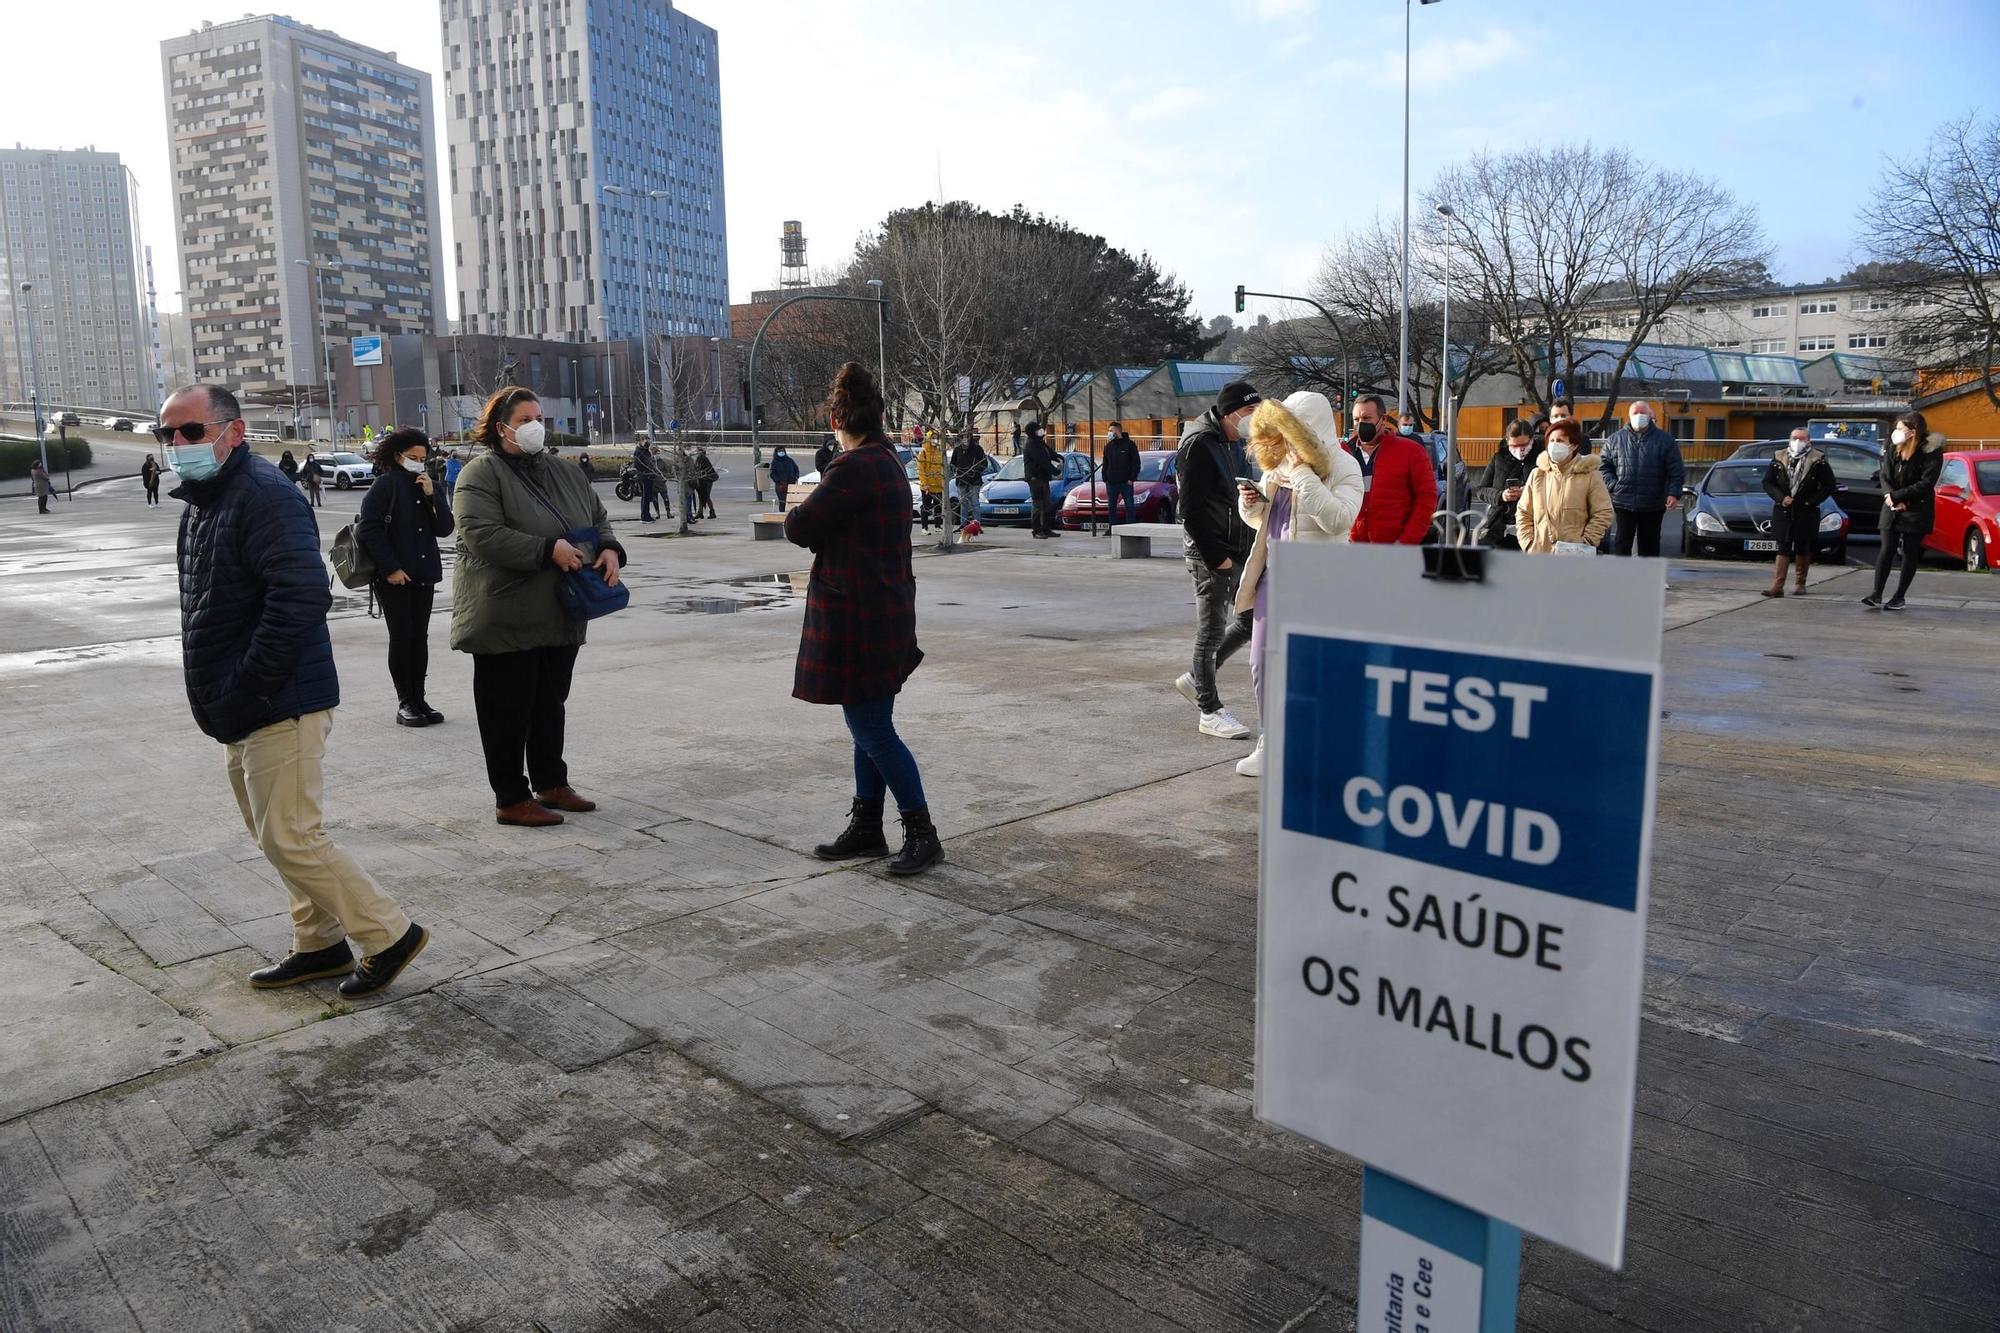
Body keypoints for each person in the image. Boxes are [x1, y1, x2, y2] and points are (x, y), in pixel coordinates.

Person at [156, 384, 428, 997]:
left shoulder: (264, 495)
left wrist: (251, 682)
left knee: (291, 834)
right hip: (238, 700)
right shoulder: (204, 500)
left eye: (190, 431)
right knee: (273, 832)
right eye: (167, 434)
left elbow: (302, 597)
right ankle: (319, 942)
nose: (177, 445)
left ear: (234, 431)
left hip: (278, 696)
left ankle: (389, 933)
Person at [785, 362, 939, 875]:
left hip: (859, 617)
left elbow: (799, 526)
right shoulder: (889, 461)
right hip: (885, 611)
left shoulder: (852, 468)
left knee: (872, 728)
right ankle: (868, 826)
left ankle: (922, 832)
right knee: (870, 726)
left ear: (836, 419)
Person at [451, 386, 626, 826]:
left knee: (550, 702)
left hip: (560, 609)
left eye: (539, 418)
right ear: (501, 427)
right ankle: (511, 798)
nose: (535, 427)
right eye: (525, 419)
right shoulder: (480, 474)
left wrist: (609, 548)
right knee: (506, 710)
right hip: (506, 614)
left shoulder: (563, 471)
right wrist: (548, 549)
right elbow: (480, 533)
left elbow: (597, 516)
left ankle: (551, 782)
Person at [1232, 391, 1364, 777]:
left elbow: (1339, 520)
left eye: (1295, 429)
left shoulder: (1344, 465)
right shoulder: (1278, 463)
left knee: (1315, 667)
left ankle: (1321, 742)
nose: (1287, 438)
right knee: (1262, 662)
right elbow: (1264, 523)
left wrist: (1304, 475)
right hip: (1277, 574)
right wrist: (1251, 503)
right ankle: (1271, 742)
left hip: (1323, 580)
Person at [1173, 379, 1261, 739]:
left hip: (1238, 546)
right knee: (1209, 632)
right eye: (1250, 412)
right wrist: (1218, 558)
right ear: (1230, 413)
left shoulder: (1233, 442)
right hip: (1211, 552)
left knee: (1250, 620)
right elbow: (1190, 511)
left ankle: (1197, 678)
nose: (1254, 419)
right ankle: (1209, 710)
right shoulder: (1198, 444)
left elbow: (1231, 491)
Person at [356, 427, 455, 726]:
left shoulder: (429, 485)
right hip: (394, 576)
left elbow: (445, 528)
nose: (418, 462)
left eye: (423, 458)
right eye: (412, 457)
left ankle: (420, 698)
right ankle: (405, 701)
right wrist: (390, 568)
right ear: (398, 456)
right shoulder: (385, 485)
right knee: (401, 638)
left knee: (419, 639)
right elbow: (368, 529)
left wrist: (431, 496)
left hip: (423, 573)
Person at [1864, 410, 1944, 612]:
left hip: (1917, 508)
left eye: (1901, 428)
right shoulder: (1891, 446)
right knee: (1886, 549)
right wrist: (1890, 497)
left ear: (1913, 431)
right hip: (1891, 506)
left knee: (1909, 552)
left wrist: (1901, 497)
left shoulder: (1931, 451)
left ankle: (1899, 597)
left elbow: (1926, 483)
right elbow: (1884, 475)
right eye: (1896, 427)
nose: (1896, 432)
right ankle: (1876, 593)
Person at [1343, 394, 1437, 545]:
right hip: (1351, 548)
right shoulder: (1343, 453)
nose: (1360, 424)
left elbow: (1426, 499)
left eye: (1367, 418)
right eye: (1356, 420)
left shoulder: (1411, 451)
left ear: (1383, 420)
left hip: (1394, 548)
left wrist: (1406, 542)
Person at [1598, 400, 1684, 557]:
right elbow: (1604, 467)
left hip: (1653, 503)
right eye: (1635, 413)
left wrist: (1673, 493)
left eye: (1643, 412)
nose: (1639, 416)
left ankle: (1648, 579)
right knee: (1622, 544)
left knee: (1649, 547)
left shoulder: (1665, 440)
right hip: (1623, 501)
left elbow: (1676, 470)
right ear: (1629, 416)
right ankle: (1621, 579)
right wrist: (1613, 486)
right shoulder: (1614, 440)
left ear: (1651, 415)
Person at [1761, 428, 1837, 598]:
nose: (1797, 441)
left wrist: (1811, 501)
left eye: (1801, 439)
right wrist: (1781, 498)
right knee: (1783, 546)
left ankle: (1800, 583)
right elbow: (1767, 482)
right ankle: (1777, 585)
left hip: (1806, 509)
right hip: (1784, 509)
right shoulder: (1778, 456)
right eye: (1794, 438)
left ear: (1809, 441)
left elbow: (1829, 485)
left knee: (1803, 546)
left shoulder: (1818, 459)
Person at [1515, 420, 1612, 554]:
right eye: (1551, 441)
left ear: (1573, 445)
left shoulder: (1590, 476)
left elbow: (1603, 512)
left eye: (1559, 440)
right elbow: (1523, 512)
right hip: (1539, 554)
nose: (1554, 445)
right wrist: (1528, 543)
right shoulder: (1537, 475)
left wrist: (1586, 541)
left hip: (1574, 555)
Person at [1474, 420, 1541, 549]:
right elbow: (1480, 490)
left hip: (1533, 528)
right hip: (1500, 527)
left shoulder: (1542, 459)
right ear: (1507, 441)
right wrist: (1501, 496)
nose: (1520, 450)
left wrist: (1528, 493)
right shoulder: (1499, 458)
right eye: (1514, 446)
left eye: (1524, 445)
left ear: (1532, 440)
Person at [1023, 420, 1061, 538]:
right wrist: (1055, 471)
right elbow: (1042, 461)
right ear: (1033, 432)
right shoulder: (1031, 444)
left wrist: (1059, 458)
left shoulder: (1040, 443)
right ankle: (1037, 530)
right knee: (1038, 505)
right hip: (1035, 479)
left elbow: (1050, 453)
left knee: (1046, 505)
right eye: (1038, 429)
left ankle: (1046, 528)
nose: (1041, 430)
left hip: (1043, 478)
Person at [1102, 422, 1142, 529]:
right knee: (1111, 507)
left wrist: (1131, 478)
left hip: (1126, 482)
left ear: (1117, 430)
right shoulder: (1108, 446)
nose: (1109, 433)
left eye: (1111, 430)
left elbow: (1136, 463)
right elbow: (1105, 463)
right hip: (1111, 482)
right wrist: (1105, 478)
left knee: (1129, 506)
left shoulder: (1129, 445)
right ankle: (1112, 528)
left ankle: (1131, 528)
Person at [950, 432, 988, 531]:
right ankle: (963, 524)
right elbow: (953, 464)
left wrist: (975, 472)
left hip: (974, 481)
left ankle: (977, 524)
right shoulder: (957, 450)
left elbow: (984, 463)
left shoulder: (977, 449)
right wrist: (957, 473)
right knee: (963, 503)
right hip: (962, 480)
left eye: (967, 437)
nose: (965, 439)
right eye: (962, 437)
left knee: (975, 503)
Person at [916, 429, 945, 532]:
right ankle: (924, 527)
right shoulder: (923, 453)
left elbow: (942, 468)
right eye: (933, 438)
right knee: (926, 507)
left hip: (938, 485)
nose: (935, 440)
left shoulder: (939, 451)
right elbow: (921, 470)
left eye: (936, 438)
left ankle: (937, 526)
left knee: (938, 506)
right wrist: (925, 484)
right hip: (927, 485)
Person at [633, 434, 663, 522]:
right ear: (641, 441)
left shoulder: (646, 451)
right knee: (645, 496)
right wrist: (645, 471)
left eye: (648, 440)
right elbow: (638, 464)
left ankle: (647, 514)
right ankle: (645, 516)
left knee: (647, 497)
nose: (647, 442)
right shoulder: (639, 451)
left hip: (649, 476)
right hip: (644, 476)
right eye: (645, 440)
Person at [770, 445, 801, 510]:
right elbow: (772, 474)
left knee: (791, 502)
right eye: (779, 451)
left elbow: (796, 469)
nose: (781, 452)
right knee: (783, 502)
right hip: (781, 486)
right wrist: (779, 481)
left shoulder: (789, 460)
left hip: (791, 484)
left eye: (782, 451)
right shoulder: (774, 462)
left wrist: (795, 477)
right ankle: (782, 514)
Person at [693, 445, 719, 519]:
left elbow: (698, 469)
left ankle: (712, 512)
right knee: (702, 496)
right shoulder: (702, 458)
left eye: (697, 451)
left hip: (707, 480)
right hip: (704, 480)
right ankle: (700, 512)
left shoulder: (701, 459)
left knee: (706, 496)